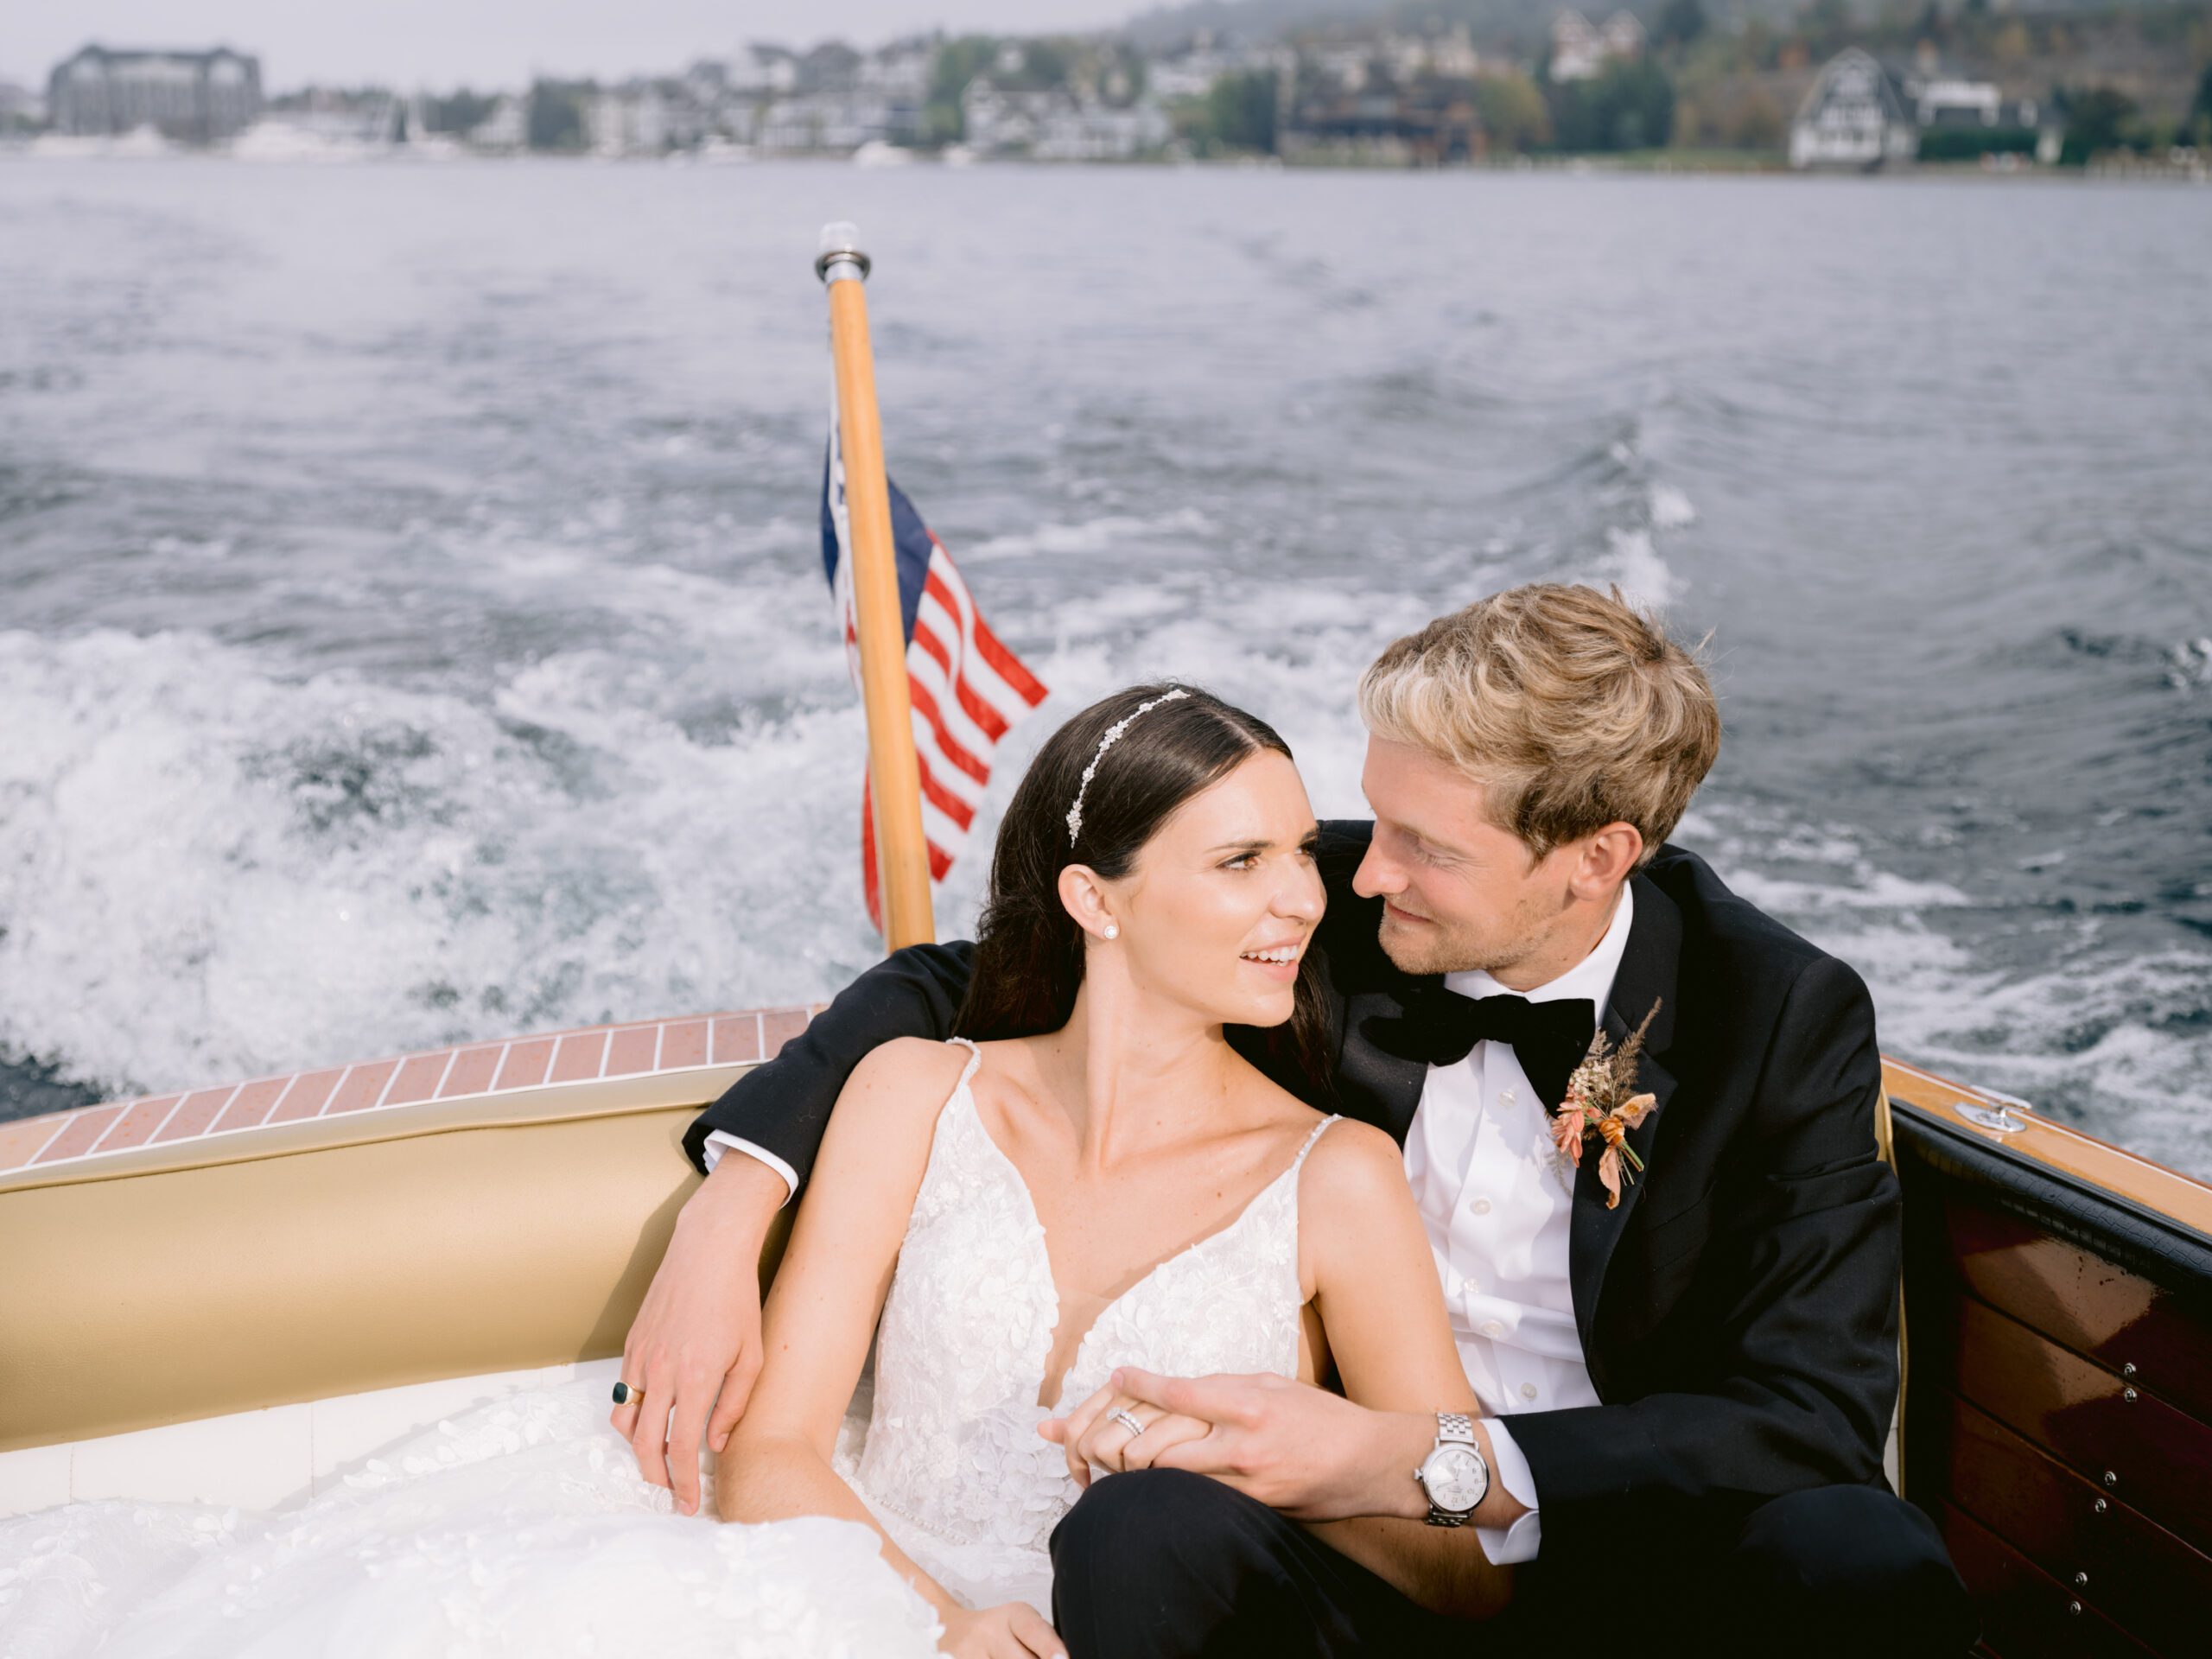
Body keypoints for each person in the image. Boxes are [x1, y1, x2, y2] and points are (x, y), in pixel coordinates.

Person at [0, 685, 1503, 1659]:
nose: (1306, 900)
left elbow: (1473, 1572)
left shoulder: (1336, 1178)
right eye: (1240, 864)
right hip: (849, 1593)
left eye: (1304, 852)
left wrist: (1290, 1464)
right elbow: (777, 1449)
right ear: (1091, 900)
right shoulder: (915, 1095)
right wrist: (940, 1627)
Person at [626, 583, 1980, 1658]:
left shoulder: (1777, 1012)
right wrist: (734, 1199)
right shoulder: (1329, 900)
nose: (1357, 875)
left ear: (1596, 861)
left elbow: (1810, 1419)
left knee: (1869, 1562)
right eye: (1375, 819)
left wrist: (1422, 1456)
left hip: (1636, 1551)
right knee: (1140, 1533)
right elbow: (963, 977)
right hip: (1358, 1566)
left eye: (1425, 849)